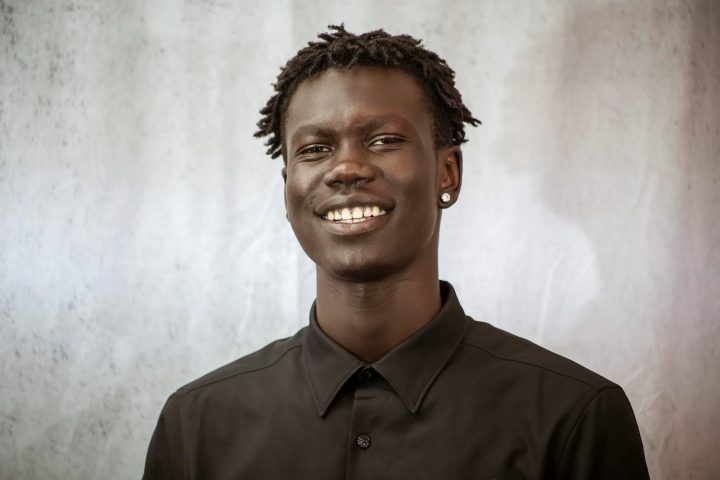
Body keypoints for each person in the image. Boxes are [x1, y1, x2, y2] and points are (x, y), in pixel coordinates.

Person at [143, 25, 649, 479]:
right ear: (288, 186)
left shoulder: (574, 418)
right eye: (314, 149)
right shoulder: (196, 424)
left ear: (447, 173)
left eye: (384, 140)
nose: (345, 169)